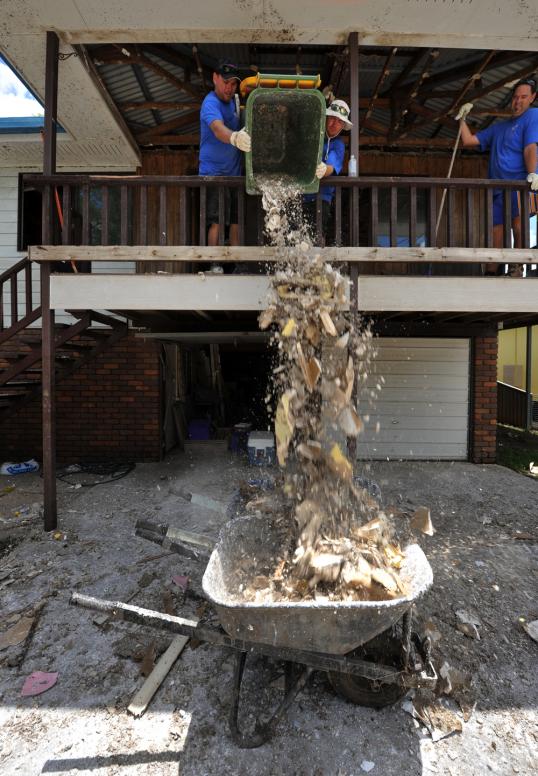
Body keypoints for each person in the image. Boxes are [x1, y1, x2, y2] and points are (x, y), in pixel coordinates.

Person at [457, 78, 538, 275]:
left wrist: (533, 173)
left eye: (523, 97)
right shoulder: (498, 128)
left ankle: (516, 267)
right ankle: (492, 272)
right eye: (515, 97)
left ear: (533, 98)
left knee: (518, 225)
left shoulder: (533, 116)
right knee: (496, 230)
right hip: (497, 187)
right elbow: (468, 140)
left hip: (520, 183)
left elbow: (530, 147)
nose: (518, 101)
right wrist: (461, 118)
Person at [199, 61, 251, 271]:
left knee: (236, 221)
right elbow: (218, 129)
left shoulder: (233, 103)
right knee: (217, 221)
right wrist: (235, 138)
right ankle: (214, 264)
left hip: (235, 174)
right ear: (215, 78)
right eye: (226, 82)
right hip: (214, 174)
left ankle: (238, 264)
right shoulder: (210, 103)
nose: (229, 87)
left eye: (233, 84)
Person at [303, 99, 352, 243]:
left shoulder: (339, 145)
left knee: (316, 238)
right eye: (332, 118)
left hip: (320, 198)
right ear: (325, 118)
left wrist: (324, 169)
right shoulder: (312, 135)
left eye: (339, 121)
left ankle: (317, 265)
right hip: (299, 193)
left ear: (343, 126)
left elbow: (332, 165)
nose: (334, 124)